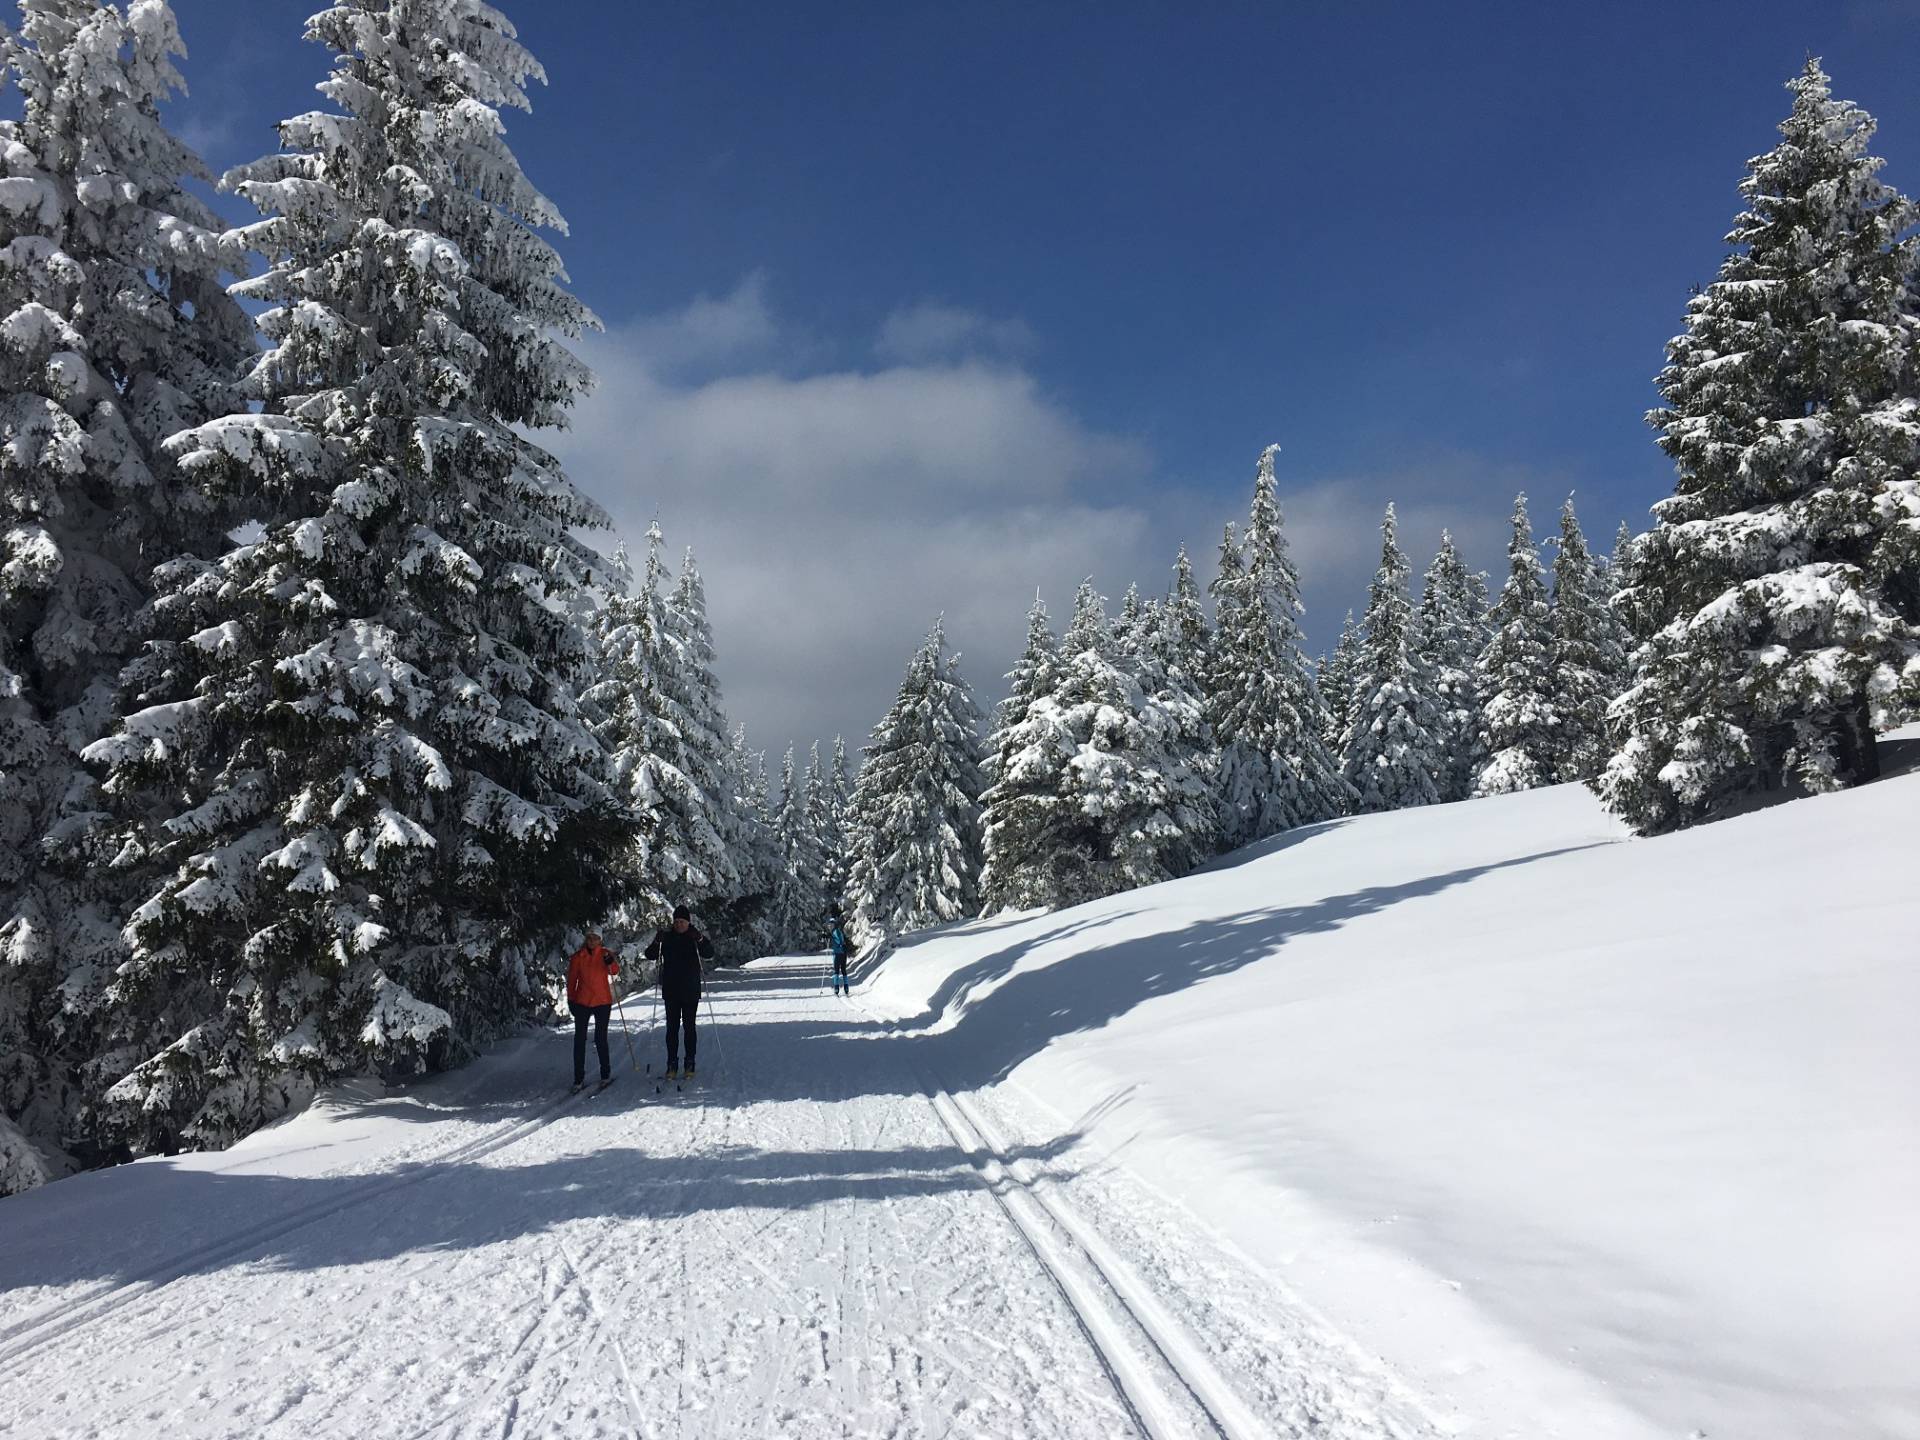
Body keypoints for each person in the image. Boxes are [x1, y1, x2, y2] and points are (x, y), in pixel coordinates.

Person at [645, 905, 715, 1081]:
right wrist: (656, 941)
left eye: (682, 922)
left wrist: (700, 939)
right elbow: (650, 955)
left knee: (689, 1028)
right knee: (672, 1029)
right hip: (671, 990)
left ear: (688, 922)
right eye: (676, 922)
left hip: (690, 990)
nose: (679, 925)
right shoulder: (667, 937)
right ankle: (672, 1063)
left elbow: (709, 953)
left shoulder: (694, 936)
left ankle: (690, 1062)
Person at [567, 931, 621, 1091]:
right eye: (589, 938)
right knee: (579, 1040)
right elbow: (572, 980)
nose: (592, 941)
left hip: (602, 1001)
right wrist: (571, 1000)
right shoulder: (578, 957)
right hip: (582, 1001)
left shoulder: (605, 954)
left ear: (600, 940)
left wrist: (611, 962)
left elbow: (615, 971)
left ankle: (605, 1074)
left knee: (600, 1038)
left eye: (595, 939)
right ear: (586, 939)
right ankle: (578, 1078)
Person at [828, 903, 852, 995]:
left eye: (831, 925)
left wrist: (840, 945)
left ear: (834, 925)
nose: (830, 927)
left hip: (838, 953)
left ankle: (836, 988)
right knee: (843, 970)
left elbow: (839, 940)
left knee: (837, 971)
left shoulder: (835, 932)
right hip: (843, 953)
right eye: (829, 925)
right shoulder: (837, 931)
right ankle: (846, 987)